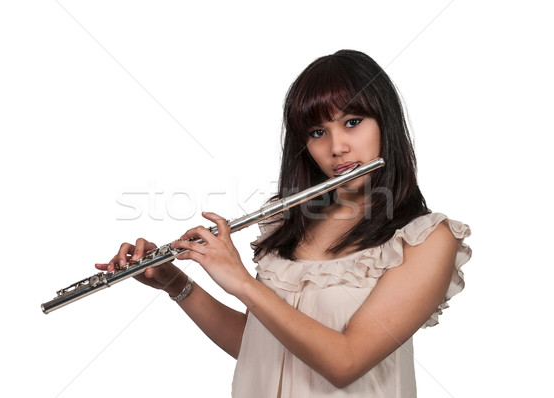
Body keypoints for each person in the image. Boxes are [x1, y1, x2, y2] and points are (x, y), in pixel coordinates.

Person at [95, 49, 472, 397]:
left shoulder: (425, 240)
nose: (336, 146)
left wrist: (240, 281)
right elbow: (260, 344)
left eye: (353, 122)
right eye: (317, 132)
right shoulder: (288, 223)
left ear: (385, 124)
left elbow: (346, 362)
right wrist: (176, 283)